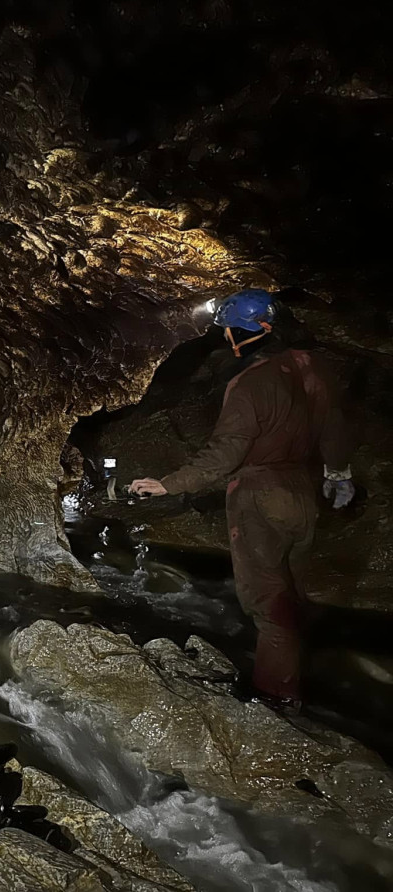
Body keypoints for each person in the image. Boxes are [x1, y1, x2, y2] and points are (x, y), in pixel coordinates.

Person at [128, 288, 353, 708]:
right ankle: (298, 671)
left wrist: (169, 483)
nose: (227, 338)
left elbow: (224, 454)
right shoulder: (312, 368)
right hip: (304, 493)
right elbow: (334, 426)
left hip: (259, 496)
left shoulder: (249, 383)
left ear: (242, 333)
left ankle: (276, 697)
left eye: (229, 331)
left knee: (268, 602)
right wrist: (339, 474)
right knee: (292, 591)